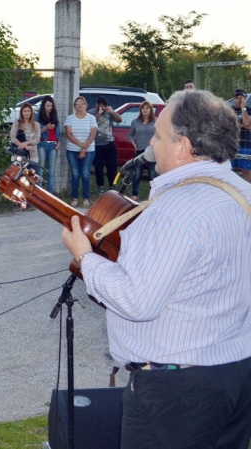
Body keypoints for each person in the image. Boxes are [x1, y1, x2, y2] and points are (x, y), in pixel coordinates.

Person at [61, 89, 251, 449]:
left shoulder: (172, 211)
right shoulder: (243, 194)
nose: (152, 146)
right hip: (236, 374)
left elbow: (136, 301)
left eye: (160, 137)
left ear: (183, 146)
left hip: (175, 392)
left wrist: (85, 257)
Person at [64, 96, 97, 207]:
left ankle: (86, 197)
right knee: (75, 173)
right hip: (72, 150)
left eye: (82, 103)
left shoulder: (91, 118)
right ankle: (75, 197)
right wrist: (81, 144)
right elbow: (68, 135)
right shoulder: (69, 118)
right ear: (74, 106)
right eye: (77, 104)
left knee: (85, 173)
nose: (79, 105)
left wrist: (84, 147)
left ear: (86, 105)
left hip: (89, 150)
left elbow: (93, 134)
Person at [89, 97, 123, 195]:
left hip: (109, 143)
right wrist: (99, 114)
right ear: (97, 105)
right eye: (101, 107)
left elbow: (120, 119)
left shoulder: (109, 112)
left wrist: (112, 112)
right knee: (98, 167)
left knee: (111, 166)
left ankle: (113, 185)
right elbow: (90, 122)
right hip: (96, 144)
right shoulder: (91, 113)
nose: (103, 109)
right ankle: (100, 186)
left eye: (105, 107)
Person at [128, 101, 156, 200]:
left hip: (151, 151)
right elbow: (130, 134)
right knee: (137, 173)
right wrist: (133, 143)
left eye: (147, 108)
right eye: (143, 108)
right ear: (140, 110)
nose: (145, 110)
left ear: (150, 110)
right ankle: (135, 194)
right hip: (139, 150)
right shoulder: (135, 122)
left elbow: (159, 135)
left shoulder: (155, 121)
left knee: (152, 173)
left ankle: (154, 194)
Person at [36, 96, 59, 192]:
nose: (49, 108)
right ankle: (40, 193)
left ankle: (50, 194)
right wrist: (46, 127)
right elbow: (36, 132)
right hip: (42, 143)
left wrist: (59, 142)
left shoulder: (54, 116)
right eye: (47, 106)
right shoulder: (38, 116)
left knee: (52, 171)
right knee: (40, 169)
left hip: (53, 144)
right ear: (43, 106)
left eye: (51, 106)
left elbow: (58, 130)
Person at [9, 103, 41, 168]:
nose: (27, 113)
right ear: (22, 113)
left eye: (29, 111)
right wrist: (24, 146)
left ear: (31, 112)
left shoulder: (36, 124)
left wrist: (26, 143)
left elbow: (37, 139)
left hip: (32, 156)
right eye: (25, 111)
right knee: (19, 177)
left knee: (31, 176)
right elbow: (12, 137)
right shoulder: (16, 123)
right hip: (19, 156)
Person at [230, 89, 251, 183]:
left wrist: (243, 108)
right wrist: (243, 125)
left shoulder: (249, 110)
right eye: (236, 98)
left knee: (246, 171)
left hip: (245, 144)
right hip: (231, 145)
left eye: (241, 98)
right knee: (229, 170)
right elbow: (226, 125)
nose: (238, 100)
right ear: (234, 99)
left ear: (245, 99)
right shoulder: (229, 110)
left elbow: (247, 123)